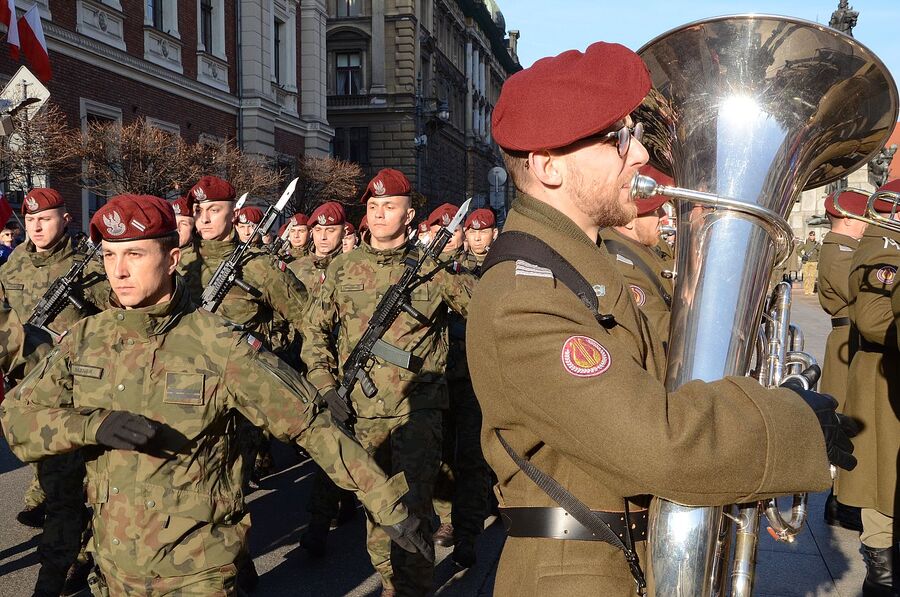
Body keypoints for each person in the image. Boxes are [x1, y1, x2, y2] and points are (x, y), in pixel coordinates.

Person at [467, 41, 858, 596]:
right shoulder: (523, 296)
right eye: (617, 138)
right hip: (577, 575)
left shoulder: (585, 271)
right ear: (547, 166)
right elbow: (657, 442)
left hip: (628, 559)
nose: (640, 155)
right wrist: (788, 423)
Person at [0, 194, 432, 595]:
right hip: (112, 571)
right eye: (110, 256)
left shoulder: (218, 343)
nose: (119, 271)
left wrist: (389, 505)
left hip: (196, 573)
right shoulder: (86, 339)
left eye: (134, 254)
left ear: (172, 259)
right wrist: (92, 425)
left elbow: (311, 425)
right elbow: (17, 417)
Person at [302, 168, 477, 596]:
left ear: (409, 214)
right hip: (362, 411)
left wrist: (441, 270)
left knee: (413, 508)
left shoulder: (428, 269)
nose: (379, 215)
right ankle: (390, 583)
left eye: (390, 207)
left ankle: (413, 589)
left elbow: (479, 306)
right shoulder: (343, 269)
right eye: (374, 207)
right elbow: (314, 334)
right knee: (378, 512)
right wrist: (326, 387)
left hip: (417, 411)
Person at [0, 187, 109, 596]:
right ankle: (76, 553)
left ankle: (64, 567)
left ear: (65, 218)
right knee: (60, 485)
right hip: (33, 397)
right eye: (29, 219)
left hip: (85, 392)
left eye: (45, 218)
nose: (36, 226)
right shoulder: (11, 269)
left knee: (86, 486)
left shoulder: (88, 266)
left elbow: (117, 317)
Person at [840, 178, 900, 597]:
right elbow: (874, 318)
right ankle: (880, 578)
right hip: (884, 379)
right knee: (884, 487)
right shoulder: (885, 247)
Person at [430, 204, 494, 568]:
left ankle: (467, 533)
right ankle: (447, 519)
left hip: (473, 373)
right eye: (460, 231)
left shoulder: (488, 270)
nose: (463, 237)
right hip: (436, 374)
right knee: (439, 454)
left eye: (463, 231)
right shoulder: (424, 269)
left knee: (470, 455)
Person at [817, 190, 872, 533]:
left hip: (852, 337)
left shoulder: (849, 249)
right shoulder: (839, 250)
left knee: (852, 418)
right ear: (850, 219)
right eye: (865, 218)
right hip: (846, 341)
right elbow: (859, 294)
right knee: (845, 420)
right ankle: (840, 502)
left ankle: (843, 500)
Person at [599, 166, 673, 348]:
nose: (663, 217)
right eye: (656, 211)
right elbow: (657, 328)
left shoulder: (647, 244)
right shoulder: (620, 265)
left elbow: (665, 269)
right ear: (630, 220)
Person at [289, 201, 346, 300]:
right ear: (312, 232)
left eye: (330, 230)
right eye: (318, 230)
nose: (323, 237)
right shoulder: (293, 270)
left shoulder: (352, 268)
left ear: (343, 233)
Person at [799, 230, 821, 295]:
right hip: (806, 262)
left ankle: (811, 290)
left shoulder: (816, 244)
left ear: (814, 236)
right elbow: (798, 250)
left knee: (812, 277)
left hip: (814, 262)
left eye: (813, 235)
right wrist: (802, 256)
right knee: (806, 276)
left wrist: (818, 259)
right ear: (809, 236)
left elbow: (820, 251)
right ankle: (806, 290)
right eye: (811, 235)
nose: (812, 237)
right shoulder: (805, 243)